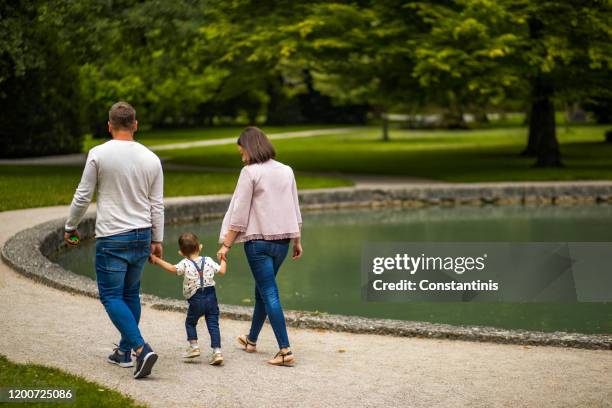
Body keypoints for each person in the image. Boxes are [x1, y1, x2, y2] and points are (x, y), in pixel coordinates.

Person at [64, 101, 163, 379]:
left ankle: (141, 349)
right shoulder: (151, 158)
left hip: (113, 237)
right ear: (135, 124)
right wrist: (157, 237)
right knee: (130, 294)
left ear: (109, 126)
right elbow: (157, 204)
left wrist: (70, 225)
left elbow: (83, 195)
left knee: (110, 296)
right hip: (142, 234)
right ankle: (123, 353)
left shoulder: (99, 154)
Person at [217, 126, 303, 367]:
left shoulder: (250, 172)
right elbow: (294, 207)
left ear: (250, 147)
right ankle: (251, 339)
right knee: (262, 291)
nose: (241, 155)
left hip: (258, 244)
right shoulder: (287, 170)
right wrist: (297, 239)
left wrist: (226, 245)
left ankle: (285, 350)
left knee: (269, 292)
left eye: (241, 150)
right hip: (283, 243)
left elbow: (239, 213)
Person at [149, 232, 226, 365]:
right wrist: (223, 259)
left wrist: (157, 260)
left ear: (181, 253)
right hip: (211, 297)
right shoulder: (208, 260)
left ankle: (194, 347)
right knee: (213, 324)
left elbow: (172, 269)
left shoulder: (185, 263)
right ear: (200, 247)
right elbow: (222, 271)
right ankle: (217, 352)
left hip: (196, 299)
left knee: (190, 323)